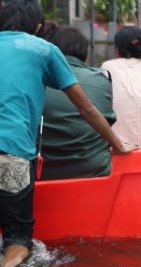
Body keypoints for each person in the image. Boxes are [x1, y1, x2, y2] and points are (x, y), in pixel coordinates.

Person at [0, 0, 136, 267]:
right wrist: (118, 144)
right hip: (12, 152)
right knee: (18, 240)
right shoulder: (44, 49)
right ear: (38, 27)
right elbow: (85, 108)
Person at [39, 28, 117, 180]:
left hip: (43, 171)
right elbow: (108, 123)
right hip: (93, 170)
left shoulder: (35, 79)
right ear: (86, 56)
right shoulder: (101, 79)